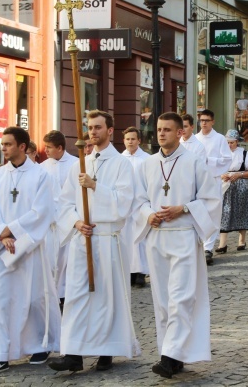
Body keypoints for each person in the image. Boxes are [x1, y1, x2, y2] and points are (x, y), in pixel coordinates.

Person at [49, 110, 138, 373]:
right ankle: (73, 354)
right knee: (76, 296)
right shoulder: (80, 163)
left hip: (107, 239)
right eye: (90, 127)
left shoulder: (122, 164)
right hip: (82, 238)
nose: (93, 132)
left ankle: (106, 350)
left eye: (98, 127)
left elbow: (125, 202)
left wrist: (95, 186)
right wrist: (76, 222)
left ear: (110, 131)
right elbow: (63, 203)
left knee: (105, 297)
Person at [134, 112, 221, 379]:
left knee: (181, 298)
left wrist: (183, 208)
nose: (161, 134)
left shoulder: (194, 161)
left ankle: (169, 357)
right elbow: (137, 200)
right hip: (157, 236)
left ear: (180, 132)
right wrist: (148, 214)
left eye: (167, 130)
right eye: (159, 129)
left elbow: (211, 199)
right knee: (163, 301)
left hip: (183, 235)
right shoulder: (147, 165)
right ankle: (174, 353)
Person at [0, 126, 60, 376]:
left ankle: (39, 345)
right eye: (2, 145)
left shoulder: (40, 175)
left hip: (29, 247)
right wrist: (1, 235)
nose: (3, 149)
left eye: (8, 145)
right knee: (0, 301)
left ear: (22, 147)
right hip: (0, 249)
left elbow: (42, 212)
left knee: (33, 299)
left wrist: (11, 232)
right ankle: (0, 354)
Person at [40, 130, 78, 309]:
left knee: (66, 260)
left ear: (60, 148)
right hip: (50, 221)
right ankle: (50, 294)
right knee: (49, 258)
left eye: (49, 147)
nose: (45, 150)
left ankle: (65, 295)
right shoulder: (42, 167)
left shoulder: (75, 164)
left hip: (69, 221)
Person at [195, 109, 232, 265]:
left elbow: (227, 159)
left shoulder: (219, 139)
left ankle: (208, 248)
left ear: (212, 122)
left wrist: (208, 161)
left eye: (207, 120)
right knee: (198, 212)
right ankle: (199, 245)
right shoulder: (195, 139)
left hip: (214, 178)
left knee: (213, 213)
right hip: (197, 181)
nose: (204, 123)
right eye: (202, 120)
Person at [216, 130, 248, 253]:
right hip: (225, 185)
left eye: (232, 142)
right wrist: (222, 176)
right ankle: (222, 244)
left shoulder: (244, 154)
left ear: (237, 142)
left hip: (242, 185)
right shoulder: (220, 154)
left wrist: (239, 174)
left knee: (242, 211)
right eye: (227, 143)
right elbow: (213, 170)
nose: (229, 145)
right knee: (225, 212)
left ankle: (242, 241)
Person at [121, 126, 150, 287]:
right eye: (127, 139)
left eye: (133, 139)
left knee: (140, 237)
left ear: (139, 140)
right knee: (126, 237)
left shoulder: (146, 159)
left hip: (140, 201)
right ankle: (129, 271)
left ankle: (141, 271)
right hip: (125, 203)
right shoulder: (119, 159)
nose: (130, 142)